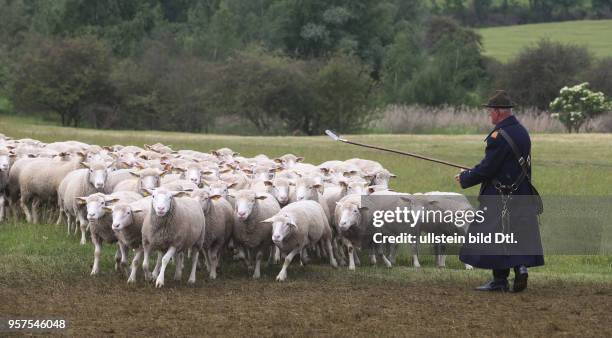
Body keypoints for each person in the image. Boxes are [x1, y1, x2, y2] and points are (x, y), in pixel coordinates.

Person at [455, 90, 544, 292]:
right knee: (516, 232)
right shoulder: (522, 131)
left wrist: (465, 177)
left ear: (498, 112)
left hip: (499, 194)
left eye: (490, 112)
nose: (489, 116)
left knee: (493, 235)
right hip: (520, 191)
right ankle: (520, 268)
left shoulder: (498, 136)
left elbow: (488, 168)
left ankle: (499, 281)